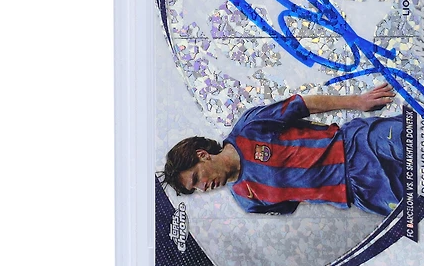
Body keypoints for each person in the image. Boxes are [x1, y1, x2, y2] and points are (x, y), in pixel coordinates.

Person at [161, 83, 404, 216]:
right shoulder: (248, 201)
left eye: (196, 178)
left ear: (202, 155)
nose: (203, 187)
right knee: (423, 200)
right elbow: (296, 201)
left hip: (360, 145)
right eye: (196, 188)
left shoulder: (248, 127)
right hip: (363, 191)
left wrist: (357, 102)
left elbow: (303, 105)